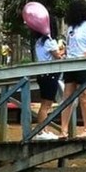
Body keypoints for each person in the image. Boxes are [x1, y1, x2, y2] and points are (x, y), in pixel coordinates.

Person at [60, 0, 86, 139]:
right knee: (67, 97)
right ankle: (63, 130)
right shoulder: (70, 27)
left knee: (84, 97)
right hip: (71, 64)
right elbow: (68, 45)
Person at [30, 10, 64, 140]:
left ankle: (42, 130)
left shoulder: (38, 41)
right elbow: (58, 56)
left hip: (42, 75)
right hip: (50, 75)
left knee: (44, 103)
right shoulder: (50, 40)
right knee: (46, 105)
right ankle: (42, 131)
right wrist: (63, 49)